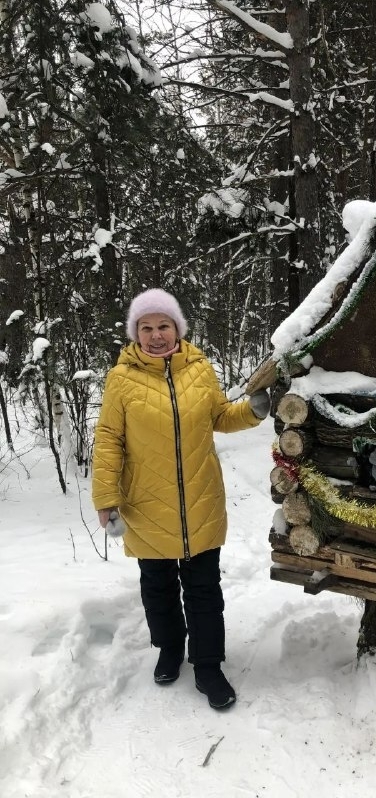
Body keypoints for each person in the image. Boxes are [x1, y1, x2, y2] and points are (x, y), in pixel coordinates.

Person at [92, 288, 270, 710]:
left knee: (204, 588)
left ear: (178, 329)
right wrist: (106, 497)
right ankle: (170, 647)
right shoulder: (121, 378)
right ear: (135, 333)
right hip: (146, 502)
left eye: (163, 326)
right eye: (146, 328)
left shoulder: (199, 368)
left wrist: (253, 411)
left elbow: (219, 416)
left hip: (199, 498)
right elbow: (109, 438)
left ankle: (208, 665)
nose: (156, 335)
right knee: (158, 587)